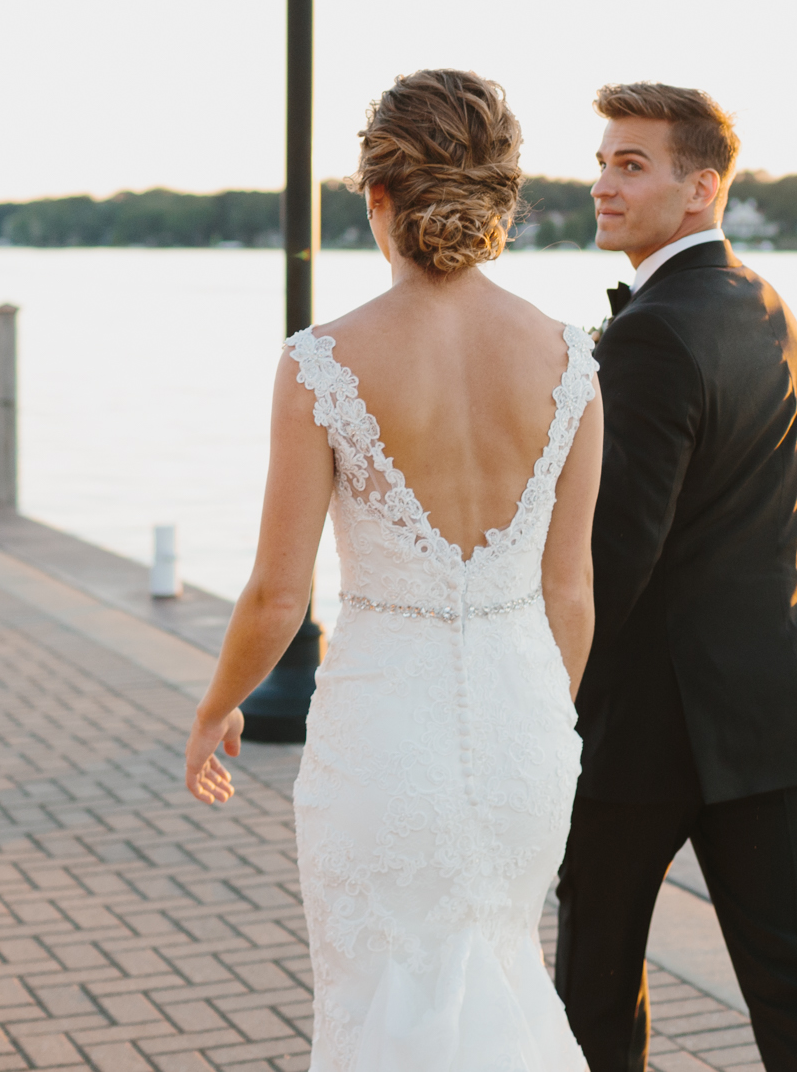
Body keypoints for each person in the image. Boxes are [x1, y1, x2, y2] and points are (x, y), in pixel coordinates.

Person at [182, 70, 604, 1072]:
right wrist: (548, 713)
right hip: (524, 733)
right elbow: (570, 590)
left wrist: (215, 705)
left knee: (384, 1006)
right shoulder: (573, 358)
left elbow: (277, 593)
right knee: (502, 980)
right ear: (502, 198)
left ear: (375, 194)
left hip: (385, 734)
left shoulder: (324, 359)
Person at [555, 83, 797, 1072]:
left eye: (631, 164)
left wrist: (540, 685)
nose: (603, 183)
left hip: (649, 724)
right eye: (603, 160)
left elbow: (612, 552)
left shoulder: (653, 331)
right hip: (776, 707)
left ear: (698, 189)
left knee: (594, 985)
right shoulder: (763, 302)